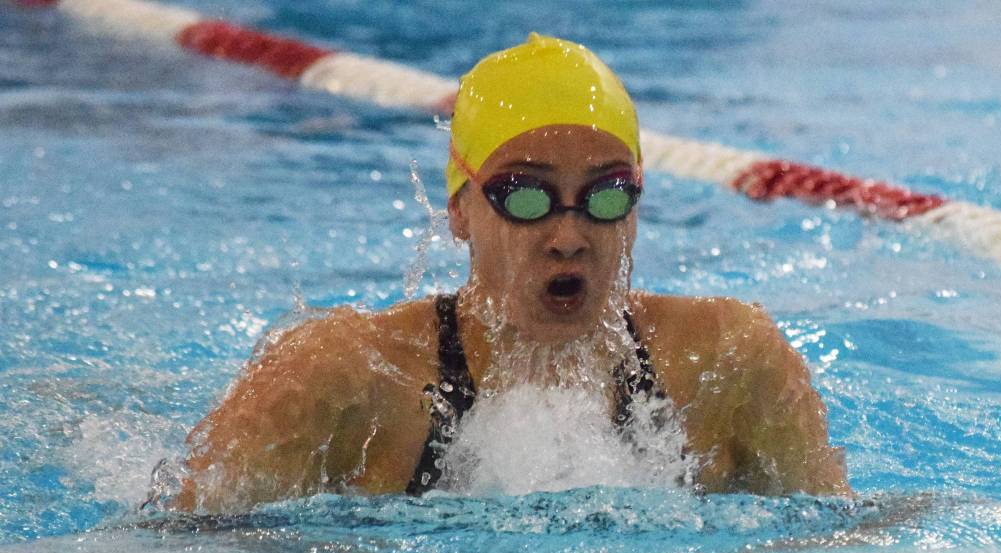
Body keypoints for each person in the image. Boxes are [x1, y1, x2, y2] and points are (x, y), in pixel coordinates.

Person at [173, 34, 849, 512]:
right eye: (524, 195)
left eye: (606, 195)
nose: (569, 236)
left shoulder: (728, 362)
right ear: (461, 211)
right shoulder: (345, 376)